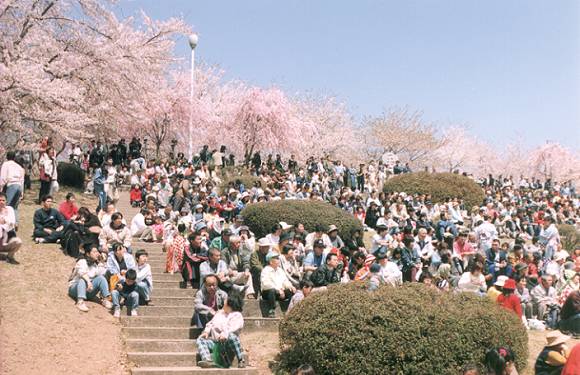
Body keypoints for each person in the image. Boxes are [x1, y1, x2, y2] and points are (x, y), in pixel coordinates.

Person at [196, 292, 247, 369]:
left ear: (230, 304)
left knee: (232, 336)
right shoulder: (220, 313)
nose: (224, 302)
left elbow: (233, 328)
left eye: (225, 301)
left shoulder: (237, 315)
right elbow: (211, 323)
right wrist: (206, 331)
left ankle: (241, 360)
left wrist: (225, 334)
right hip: (216, 343)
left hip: (228, 344)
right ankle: (207, 360)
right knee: (201, 339)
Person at [67, 246, 112, 312]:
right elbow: (82, 273)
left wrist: (103, 262)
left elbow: (102, 274)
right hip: (75, 289)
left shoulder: (95, 264)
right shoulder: (82, 261)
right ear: (88, 254)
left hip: (89, 291)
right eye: (94, 252)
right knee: (82, 280)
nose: (97, 254)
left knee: (101, 278)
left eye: (97, 252)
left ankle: (106, 300)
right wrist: (88, 282)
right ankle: (80, 302)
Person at [260, 251, 296, 317]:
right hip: (269, 293)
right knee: (272, 291)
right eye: (276, 258)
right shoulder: (265, 270)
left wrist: (290, 286)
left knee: (291, 291)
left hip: (280, 292)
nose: (278, 260)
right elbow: (266, 284)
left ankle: (288, 310)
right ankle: (271, 310)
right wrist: (278, 290)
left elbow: (285, 281)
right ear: (271, 261)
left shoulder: (280, 270)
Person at [0, 151, 25, 226]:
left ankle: (5, 222)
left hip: (11, 185)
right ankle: (16, 222)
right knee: (15, 206)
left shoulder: (6, 164)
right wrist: (22, 193)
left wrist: (1, 188)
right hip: (19, 186)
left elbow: (3, 177)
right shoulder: (19, 166)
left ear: (7, 157)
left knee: (6, 205)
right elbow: (22, 180)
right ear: (14, 158)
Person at [0, 192, 21, 264]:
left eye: (3, 200)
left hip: (7, 237)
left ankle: (10, 257)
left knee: (18, 242)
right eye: (0, 200)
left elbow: (12, 224)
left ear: (6, 201)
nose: (1, 202)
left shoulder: (10, 209)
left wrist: (5, 220)